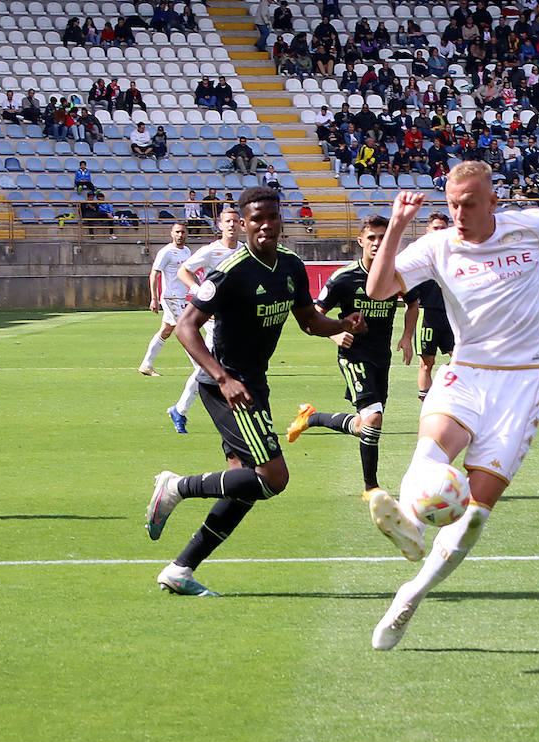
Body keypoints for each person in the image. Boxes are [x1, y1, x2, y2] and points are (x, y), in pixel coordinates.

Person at [361, 161, 539, 649]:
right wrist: (397, 227)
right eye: (451, 204)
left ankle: (410, 595)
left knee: (476, 514)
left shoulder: (528, 226)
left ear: (492, 202)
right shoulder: (438, 247)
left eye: (468, 204)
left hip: (524, 384)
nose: (459, 214)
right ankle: (409, 523)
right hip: (466, 372)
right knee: (430, 451)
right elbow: (377, 290)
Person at [142, 188, 366, 596]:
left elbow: (309, 322)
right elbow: (188, 329)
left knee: (243, 484)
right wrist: (224, 379)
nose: (265, 226)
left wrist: (343, 325)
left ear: (282, 221)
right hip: (227, 383)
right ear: (243, 224)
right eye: (256, 219)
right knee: (274, 477)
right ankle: (175, 487)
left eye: (272, 218)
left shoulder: (292, 267)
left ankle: (180, 569)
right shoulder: (231, 271)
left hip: (253, 383)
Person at [285, 216, 417, 496]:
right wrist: (334, 334)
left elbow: (413, 303)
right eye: (372, 238)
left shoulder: (396, 274)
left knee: (363, 425)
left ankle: (310, 417)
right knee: (373, 418)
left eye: (383, 237)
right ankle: (371, 488)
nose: (377, 243)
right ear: (360, 241)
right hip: (353, 355)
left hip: (381, 358)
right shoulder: (344, 278)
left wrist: (407, 336)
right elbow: (313, 316)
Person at [167, 208, 241, 433]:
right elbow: (184, 271)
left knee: (220, 365)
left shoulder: (245, 251)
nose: (231, 225)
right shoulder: (210, 251)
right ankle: (181, 410)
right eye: (227, 221)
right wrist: (199, 291)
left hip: (235, 317)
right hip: (214, 317)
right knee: (209, 367)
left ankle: (180, 410)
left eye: (235, 221)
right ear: (220, 225)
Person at [402, 211, 454, 400]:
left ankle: (442, 383)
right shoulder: (418, 254)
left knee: (462, 361)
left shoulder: (456, 253)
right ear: (428, 230)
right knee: (426, 363)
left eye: (443, 228)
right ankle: (428, 405)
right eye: (436, 228)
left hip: (453, 317)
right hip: (429, 318)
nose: (439, 232)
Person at [138, 222, 193, 377]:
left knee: (166, 331)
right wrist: (154, 298)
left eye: (182, 232)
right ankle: (200, 369)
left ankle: (146, 365)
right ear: (171, 233)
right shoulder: (166, 252)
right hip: (171, 297)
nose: (180, 235)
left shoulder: (187, 251)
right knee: (186, 330)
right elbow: (154, 274)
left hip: (182, 296)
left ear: (186, 233)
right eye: (177, 232)